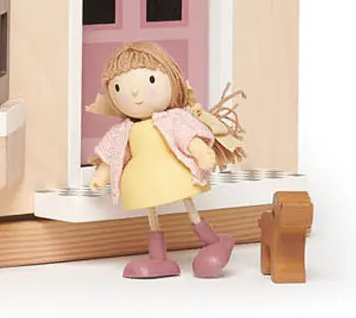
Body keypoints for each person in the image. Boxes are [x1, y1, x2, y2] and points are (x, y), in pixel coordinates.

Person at [88, 39, 246, 279]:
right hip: (142, 180)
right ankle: (158, 258)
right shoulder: (123, 131)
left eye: (151, 80)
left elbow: (187, 136)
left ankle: (214, 242)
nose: (135, 94)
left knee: (189, 206)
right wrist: (102, 175)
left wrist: (201, 152)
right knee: (152, 216)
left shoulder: (173, 119)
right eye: (119, 87)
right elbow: (114, 153)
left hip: (174, 172)